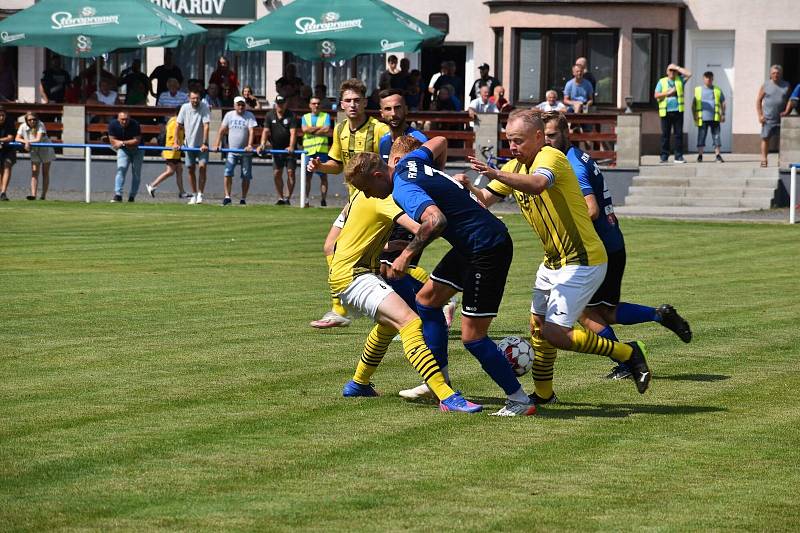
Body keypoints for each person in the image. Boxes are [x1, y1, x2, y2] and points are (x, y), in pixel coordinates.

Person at [466, 109, 652, 403]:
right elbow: (485, 199)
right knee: (537, 328)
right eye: (509, 141)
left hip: (583, 259)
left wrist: (497, 172)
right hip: (553, 262)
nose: (513, 147)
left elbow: (539, 184)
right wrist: (466, 188)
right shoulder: (516, 166)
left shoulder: (550, 158)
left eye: (518, 141)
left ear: (539, 137)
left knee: (555, 333)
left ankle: (628, 353)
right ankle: (544, 394)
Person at [349, 136, 536, 416]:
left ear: (378, 175)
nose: (367, 195)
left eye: (366, 188)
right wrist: (442, 177)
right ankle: (440, 384)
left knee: (473, 337)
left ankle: (520, 400)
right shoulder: (411, 162)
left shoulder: (403, 188)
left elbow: (436, 220)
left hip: (487, 247)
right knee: (426, 301)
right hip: (470, 244)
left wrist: (406, 255)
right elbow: (439, 140)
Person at [539, 110, 692, 380]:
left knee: (588, 315)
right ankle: (658, 317)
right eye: (544, 136)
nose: (547, 141)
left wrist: (560, 224)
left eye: (552, 135)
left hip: (601, 248)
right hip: (612, 243)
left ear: (566, 133)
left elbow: (591, 209)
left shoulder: (573, 165)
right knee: (604, 312)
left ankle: (627, 358)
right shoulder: (577, 157)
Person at [326, 151, 481, 413]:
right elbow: (425, 225)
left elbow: (330, 243)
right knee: (410, 322)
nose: (367, 193)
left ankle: (359, 383)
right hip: (355, 275)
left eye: (366, 187)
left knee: (388, 326)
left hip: (351, 273)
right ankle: (445, 394)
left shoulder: (364, 195)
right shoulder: (385, 198)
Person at [306, 78, 390, 329]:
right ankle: (340, 308)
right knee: (331, 247)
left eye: (357, 100)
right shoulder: (340, 129)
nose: (353, 105)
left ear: (365, 102)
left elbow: (391, 165)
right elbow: (337, 165)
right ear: (341, 104)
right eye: (348, 101)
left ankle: (434, 299)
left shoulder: (379, 130)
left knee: (381, 260)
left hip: (375, 201)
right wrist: (320, 166)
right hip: (353, 202)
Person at [214, 96, 256, 206]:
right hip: (231, 151)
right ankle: (227, 196)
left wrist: (250, 145)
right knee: (227, 173)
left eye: (242, 104)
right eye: (238, 104)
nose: (241, 107)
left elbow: (252, 131)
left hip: (246, 152)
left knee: (246, 175)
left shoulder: (249, 116)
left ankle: (243, 198)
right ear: (234, 105)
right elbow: (222, 130)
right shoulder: (229, 115)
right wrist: (216, 144)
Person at [259, 95, 299, 205]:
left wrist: (291, 146)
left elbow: (293, 133)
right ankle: (280, 197)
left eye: (282, 103)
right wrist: (262, 144)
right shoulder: (269, 115)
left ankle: (287, 198)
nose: (280, 105)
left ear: (286, 103)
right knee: (277, 173)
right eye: (278, 103)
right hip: (276, 149)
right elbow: (266, 131)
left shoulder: (291, 115)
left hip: (289, 150)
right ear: (275, 104)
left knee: (291, 173)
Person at [176, 89, 211, 205]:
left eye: (197, 98)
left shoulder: (204, 107)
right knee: (190, 169)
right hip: (188, 144)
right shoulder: (184, 108)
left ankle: (200, 194)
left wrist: (205, 143)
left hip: (202, 145)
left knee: (202, 167)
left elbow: (206, 126)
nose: (195, 100)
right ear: (189, 98)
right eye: (193, 98)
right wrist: (177, 142)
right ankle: (194, 194)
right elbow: (178, 125)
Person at [145, 106, 187, 199]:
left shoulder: (178, 122)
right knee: (170, 171)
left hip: (176, 152)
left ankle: (182, 192)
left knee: (179, 170)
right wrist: (176, 144)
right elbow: (172, 136)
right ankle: (152, 185)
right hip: (171, 151)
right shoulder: (174, 122)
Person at [655, 63, 692, 164]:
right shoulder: (661, 81)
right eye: (670, 70)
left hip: (678, 111)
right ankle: (664, 156)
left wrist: (676, 67)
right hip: (666, 111)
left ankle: (678, 156)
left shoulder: (679, 80)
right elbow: (656, 95)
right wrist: (667, 93)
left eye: (673, 71)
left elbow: (689, 74)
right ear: (667, 72)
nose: (672, 72)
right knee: (665, 135)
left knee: (678, 134)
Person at [756, 65, 791, 168]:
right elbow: (758, 100)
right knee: (765, 138)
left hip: (782, 119)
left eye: (778, 73)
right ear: (770, 74)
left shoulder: (786, 85)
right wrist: (760, 115)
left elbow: (790, 100)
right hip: (768, 118)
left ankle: (781, 161)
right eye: (773, 73)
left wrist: (787, 111)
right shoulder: (765, 85)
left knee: (782, 141)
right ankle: (764, 160)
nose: (776, 75)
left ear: (781, 74)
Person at [15, 112, 55, 201]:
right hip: (33, 149)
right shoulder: (23, 126)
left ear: (37, 119)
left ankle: (43, 196)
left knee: (45, 172)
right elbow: (17, 138)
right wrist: (25, 142)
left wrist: (27, 142)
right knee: (34, 172)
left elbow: (38, 139)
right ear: (26, 120)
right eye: (29, 120)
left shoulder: (41, 124)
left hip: (45, 148)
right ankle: (33, 195)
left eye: (34, 119)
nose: (32, 121)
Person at [301, 96, 332, 206]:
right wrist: (319, 129)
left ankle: (323, 200)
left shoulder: (326, 116)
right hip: (309, 152)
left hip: (321, 151)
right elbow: (304, 129)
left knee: (323, 176)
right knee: (307, 177)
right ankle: (306, 200)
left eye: (318, 103)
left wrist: (311, 130)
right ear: (310, 105)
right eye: (314, 103)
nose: (316, 105)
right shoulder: (305, 117)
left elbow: (327, 129)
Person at [108, 111, 143, 203]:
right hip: (123, 150)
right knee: (121, 170)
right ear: (118, 119)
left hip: (138, 150)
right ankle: (118, 195)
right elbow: (112, 141)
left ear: (129, 119)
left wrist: (122, 143)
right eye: (122, 119)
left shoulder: (135, 124)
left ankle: (132, 197)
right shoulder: (112, 124)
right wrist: (121, 144)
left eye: (126, 119)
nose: (124, 121)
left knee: (136, 173)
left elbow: (137, 141)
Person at [693, 71, 727, 163]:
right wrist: (694, 116)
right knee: (701, 137)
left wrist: (723, 114)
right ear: (703, 79)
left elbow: (723, 102)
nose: (708, 80)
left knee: (716, 137)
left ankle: (718, 155)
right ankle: (700, 156)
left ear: (713, 79)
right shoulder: (698, 90)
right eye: (706, 78)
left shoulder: (717, 90)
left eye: (710, 78)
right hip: (702, 118)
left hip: (715, 118)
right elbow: (694, 104)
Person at [0, 108, 16, 200]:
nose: (1, 117)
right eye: (0, 115)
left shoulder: (9, 122)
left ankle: (3, 192)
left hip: (8, 149)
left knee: (7, 166)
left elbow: (10, 138)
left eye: (3, 115)